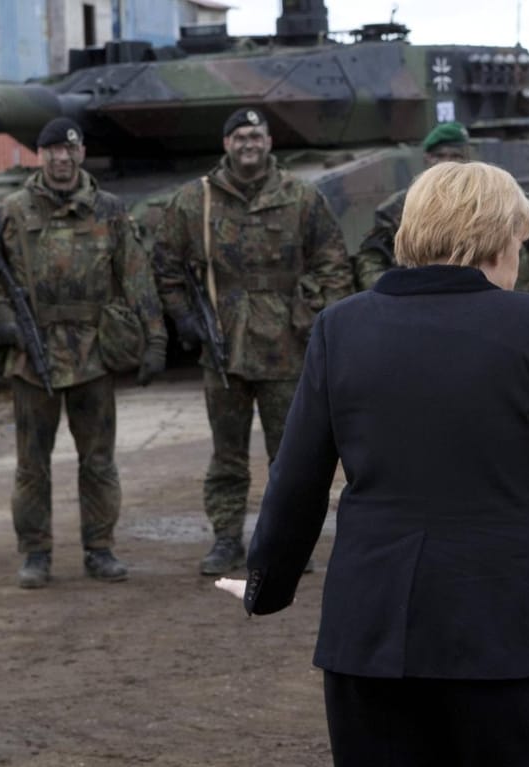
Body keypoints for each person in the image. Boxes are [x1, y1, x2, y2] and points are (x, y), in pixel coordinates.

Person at [240, 161, 529, 766]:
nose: (519, 256)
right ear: (494, 236)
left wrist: (264, 585)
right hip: (503, 638)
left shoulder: (340, 328)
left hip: (371, 639)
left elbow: (296, 484)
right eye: (517, 241)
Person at [0, 117, 167, 588]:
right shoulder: (10, 212)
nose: (61, 158)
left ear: (81, 153)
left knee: (98, 462)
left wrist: (155, 338)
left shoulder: (110, 210)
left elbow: (137, 276)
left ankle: (100, 549)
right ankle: (36, 553)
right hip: (32, 357)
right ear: (41, 155)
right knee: (31, 466)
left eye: (69, 149)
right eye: (52, 150)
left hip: (93, 353)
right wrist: (1, 318)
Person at [152, 107, 352, 575]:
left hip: (287, 346)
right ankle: (225, 540)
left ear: (269, 142)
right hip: (223, 345)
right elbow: (164, 264)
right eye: (240, 135)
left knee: (292, 456)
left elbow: (333, 264)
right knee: (227, 455)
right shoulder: (194, 201)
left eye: (256, 135)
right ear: (226, 144)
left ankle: (287, 541)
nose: (249, 143)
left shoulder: (301, 197)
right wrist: (184, 318)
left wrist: (310, 314)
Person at [353, 121, 529, 294]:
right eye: (440, 156)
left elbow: (515, 265)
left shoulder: (487, 206)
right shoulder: (399, 207)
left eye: (455, 156)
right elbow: (371, 259)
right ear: (427, 159)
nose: (447, 162)